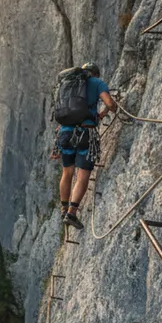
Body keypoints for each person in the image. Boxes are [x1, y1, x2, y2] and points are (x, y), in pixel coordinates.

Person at [53, 62, 116, 229]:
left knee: (67, 172)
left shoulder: (69, 83)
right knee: (82, 175)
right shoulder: (97, 83)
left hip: (65, 133)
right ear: (95, 73)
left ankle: (64, 208)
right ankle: (72, 213)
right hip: (85, 134)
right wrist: (111, 110)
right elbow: (109, 103)